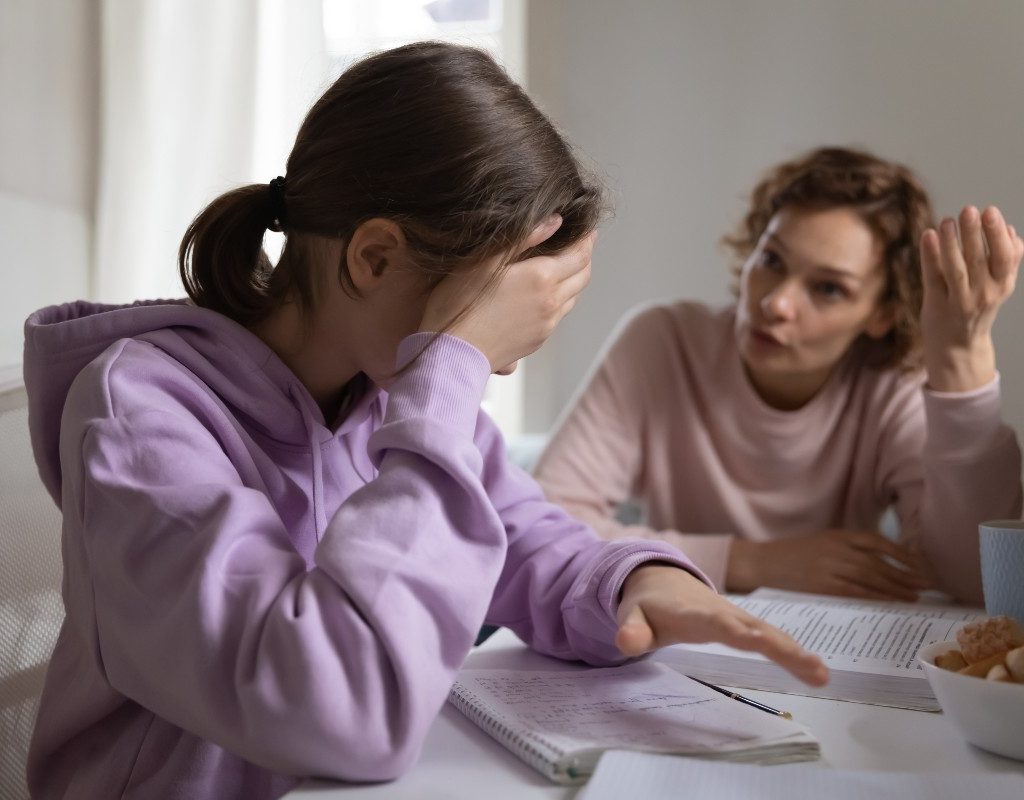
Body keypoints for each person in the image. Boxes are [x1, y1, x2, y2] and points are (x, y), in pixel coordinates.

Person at [23, 44, 826, 800]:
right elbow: (339, 708)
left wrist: (636, 582)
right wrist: (451, 370)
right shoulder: (141, 416)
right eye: (489, 331)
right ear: (373, 258)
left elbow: (527, 541)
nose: (498, 367)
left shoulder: (392, 395)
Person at [535, 146, 1023, 606]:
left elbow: (974, 581)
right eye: (771, 260)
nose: (776, 303)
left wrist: (961, 360)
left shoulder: (892, 385)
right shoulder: (663, 342)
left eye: (828, 288)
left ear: (882, 314)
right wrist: (754, 562)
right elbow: (543, 524)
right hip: (674, 637)